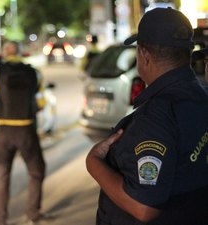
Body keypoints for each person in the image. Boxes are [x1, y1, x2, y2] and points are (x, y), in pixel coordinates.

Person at [86, 7, 208, 225]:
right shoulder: (201, 96)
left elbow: (144, 206)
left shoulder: (156, 116)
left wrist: (93, 163)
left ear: (144, 55)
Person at [0, 41, 47, 225]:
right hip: (26, 130)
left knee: (1, 175)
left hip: (3, 130)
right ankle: (33, 214)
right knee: (36, 171)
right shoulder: (34, 72)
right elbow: (41, 104)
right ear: (20, 51)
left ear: (4, 53)